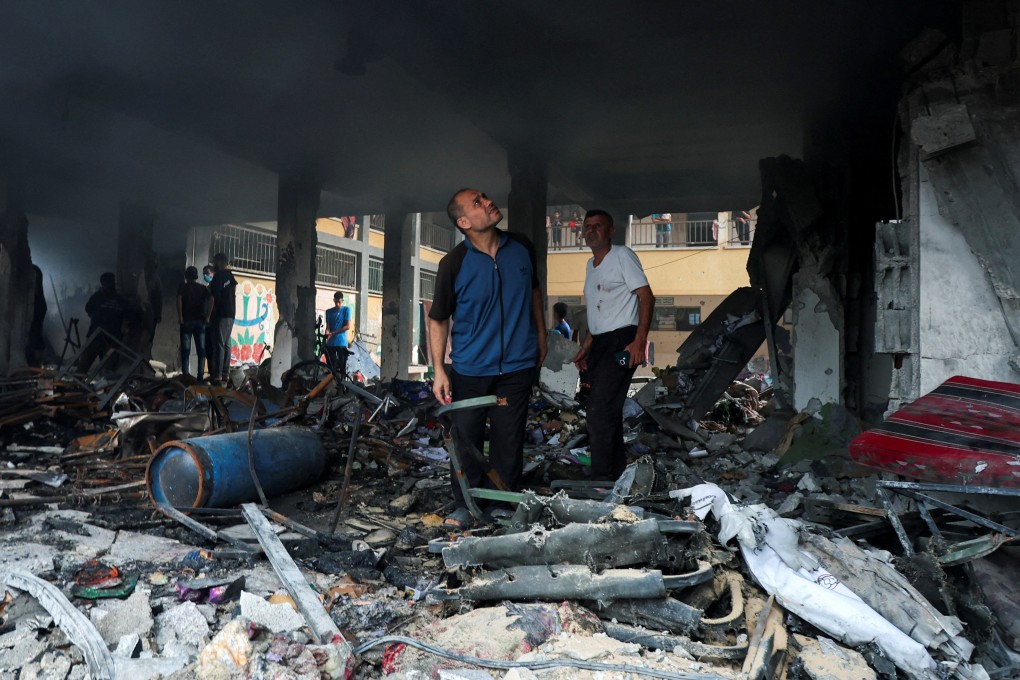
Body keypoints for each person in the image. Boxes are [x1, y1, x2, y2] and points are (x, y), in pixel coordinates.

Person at [428, 188, 547, 522]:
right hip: (470, 368)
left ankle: (503, 504)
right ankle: (465, 505)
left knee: (509, 440)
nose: (488, 202)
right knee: (466, 440)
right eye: (477, 203)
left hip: (518, 365)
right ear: (464, 221)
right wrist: (439, 369)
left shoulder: (521, 247)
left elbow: (534, 291)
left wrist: (541, 333)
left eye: (484, 196)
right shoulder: (453, 263)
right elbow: (437, 318)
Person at [572, 209, 655, 480]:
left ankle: (600, 478)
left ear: (610, 232)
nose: (591, 230)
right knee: (605, 408)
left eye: (598, 226)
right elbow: (598, 309)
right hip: (600, 342)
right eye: (587, 226)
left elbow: (646, 297)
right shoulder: (589, 265)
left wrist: (638, 341)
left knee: (599, 409)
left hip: (623, 340)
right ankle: (615, 472)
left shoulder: (622, 255)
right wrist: (587, 344)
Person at [76, 272, 131, 372]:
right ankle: (76, 384)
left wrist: (124, 330)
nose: (110, 285)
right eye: (107, 283)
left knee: (108, 369)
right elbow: (88, 309)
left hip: (112, 339)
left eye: (112, 283)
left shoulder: (120, 300)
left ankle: (105, 386)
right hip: (96, 336)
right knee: (84, 365)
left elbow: (128, 316)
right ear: (102, 284)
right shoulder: (97, 297)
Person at [177, 266, 212, 380]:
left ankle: (186, 375)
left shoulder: (183, 287)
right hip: (200, 322)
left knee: (185, 350)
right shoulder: (202, 288)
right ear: (196, 277)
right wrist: (208, 316)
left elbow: (179, 300)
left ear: (186, 276)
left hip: (186, 322)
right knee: (201, 350)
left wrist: (180, 317)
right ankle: (200, 376)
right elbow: (212, 299)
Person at [208, 253, 238, 385]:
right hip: (231, 314)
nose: (213, 265)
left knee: (219, 344)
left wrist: (210, 315)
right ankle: (225, 374)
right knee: (226, 344)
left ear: (219, 262)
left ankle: (217, 375)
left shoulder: (218, 277)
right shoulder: (230, 276)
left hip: (221, 314)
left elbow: (214, 298)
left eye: (214, 262)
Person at [325, 290, 352, 377]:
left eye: (339, 302)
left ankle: (342, 386)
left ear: (342, 301)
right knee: (330, 366)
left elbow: (348, 326)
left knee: (341, 366)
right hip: (331, 343)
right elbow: (328, 327)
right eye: (336, 302)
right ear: (334, 300)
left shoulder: (346, 310)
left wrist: (333, 333)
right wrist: (327, 332)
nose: (337, 304)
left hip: (341, 342)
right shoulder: (328, 312)